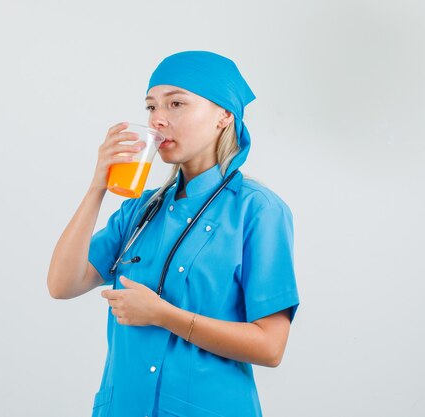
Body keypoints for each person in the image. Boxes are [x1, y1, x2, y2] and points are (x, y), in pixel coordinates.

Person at [47, 51, 300, 417]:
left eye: (176, 103)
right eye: (151, 107)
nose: (158, 119)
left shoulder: (258, 211)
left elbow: (270, 347)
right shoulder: (142, 209)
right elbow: (62, 284)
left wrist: (164, 315)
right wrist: (96, 187)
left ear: (224, 116)